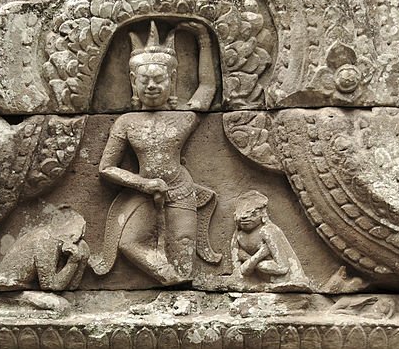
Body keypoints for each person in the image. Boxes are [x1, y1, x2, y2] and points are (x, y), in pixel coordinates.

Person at [91, 20, 221, 285]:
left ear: (172, 81)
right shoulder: (126, 123)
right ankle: (166, 278)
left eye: (159, 79)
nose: (151, 85)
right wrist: (144, 183)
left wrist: (205, 42)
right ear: (132, 82)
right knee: (128, 243)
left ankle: (178, 287)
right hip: (144, 193)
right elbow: (106, 168)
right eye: (144, 79)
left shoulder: (183, 118)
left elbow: (207, 88)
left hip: (181, 190)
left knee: (183, 251)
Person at [230, 190, 307, 286]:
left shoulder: (268, 231)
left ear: (263, 214)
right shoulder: (238, 235)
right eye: (240, 215)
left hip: (284, 281)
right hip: (257, 283)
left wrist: (249, 260)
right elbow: (238, 272)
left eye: (254, 214)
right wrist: (260, 254)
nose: (245, 218)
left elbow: (282, 268)